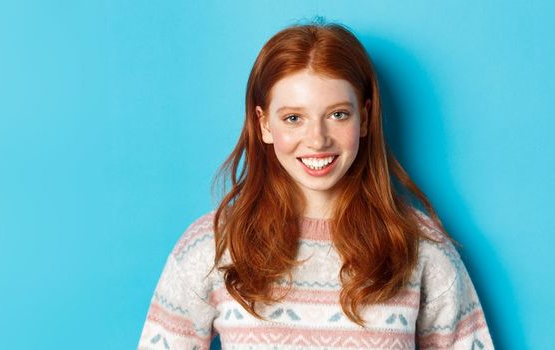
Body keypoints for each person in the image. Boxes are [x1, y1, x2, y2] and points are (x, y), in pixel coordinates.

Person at [137, 21, 494, 350]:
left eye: (338, 114)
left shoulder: (418, 246)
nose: (317, 139)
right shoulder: (212, 245)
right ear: (263, 125)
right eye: (294, 118)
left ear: (365, 118)